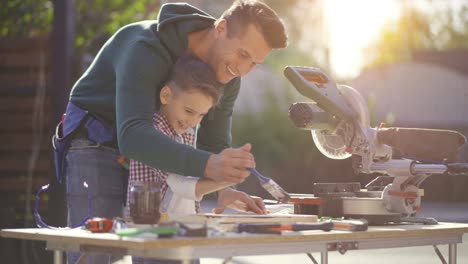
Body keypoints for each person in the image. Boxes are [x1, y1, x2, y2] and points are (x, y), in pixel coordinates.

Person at [52, 1, 287, 263]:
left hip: (156, 149)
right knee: (94, 249)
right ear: (221, 29)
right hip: (97, 139)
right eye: (243, 55)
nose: (243, 70)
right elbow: (133, 136)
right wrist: (210, 166)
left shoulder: (229, 76)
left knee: (170, 249)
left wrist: (224, 188)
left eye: (254, 62)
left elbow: (214, 143)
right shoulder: (145, 46)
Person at [129, 53, 236, 264]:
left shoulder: (186, 130)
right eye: (189, 111)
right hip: (154, 233)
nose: (193, 121)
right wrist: (225, 180)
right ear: (166, 96)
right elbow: (179, 185)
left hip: (185, 230)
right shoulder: (153, 131)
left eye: (201, 115)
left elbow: (189, 189)